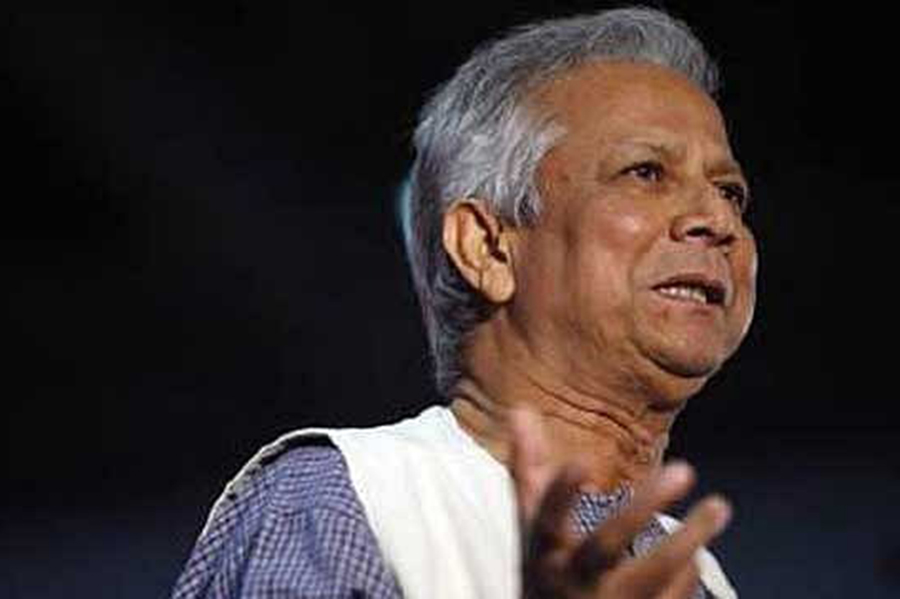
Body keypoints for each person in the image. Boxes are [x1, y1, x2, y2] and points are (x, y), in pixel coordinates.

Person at [172, 6, 756, 599]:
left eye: (730, 192)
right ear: (487, 248)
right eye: (646, 172)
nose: (718, 219)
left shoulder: (698, 575)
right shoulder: (340, 500)